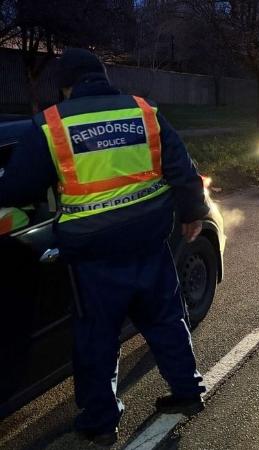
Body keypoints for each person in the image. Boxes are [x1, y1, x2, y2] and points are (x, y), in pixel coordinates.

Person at [0, 48, 208, 446]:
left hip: (93, 255)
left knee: (98, 337)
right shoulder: (143, 111)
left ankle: (101, 421)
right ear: (104, 77)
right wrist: (192, 213)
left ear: (65, 85)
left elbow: (17, 188)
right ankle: (187, 392)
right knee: (166, 320)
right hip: (148, 241)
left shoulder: (51, 125)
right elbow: (181, 168)